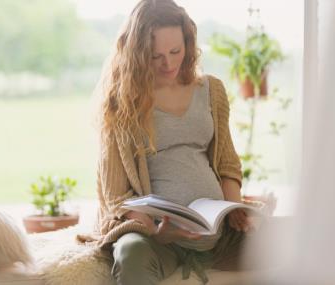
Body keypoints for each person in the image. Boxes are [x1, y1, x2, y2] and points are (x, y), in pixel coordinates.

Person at [77, 0, 256, 284]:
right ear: (136, 54)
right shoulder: (120, 103)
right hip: (157, 236)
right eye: (155, 55)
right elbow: (116, 196)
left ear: (188, 43)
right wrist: (156, 229)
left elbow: (227, 163)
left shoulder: (212, 90)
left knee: (294, 239)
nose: (168, 63)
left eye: (175, 51)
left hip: (218, 231)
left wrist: (236, 211)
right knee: (130, 254)